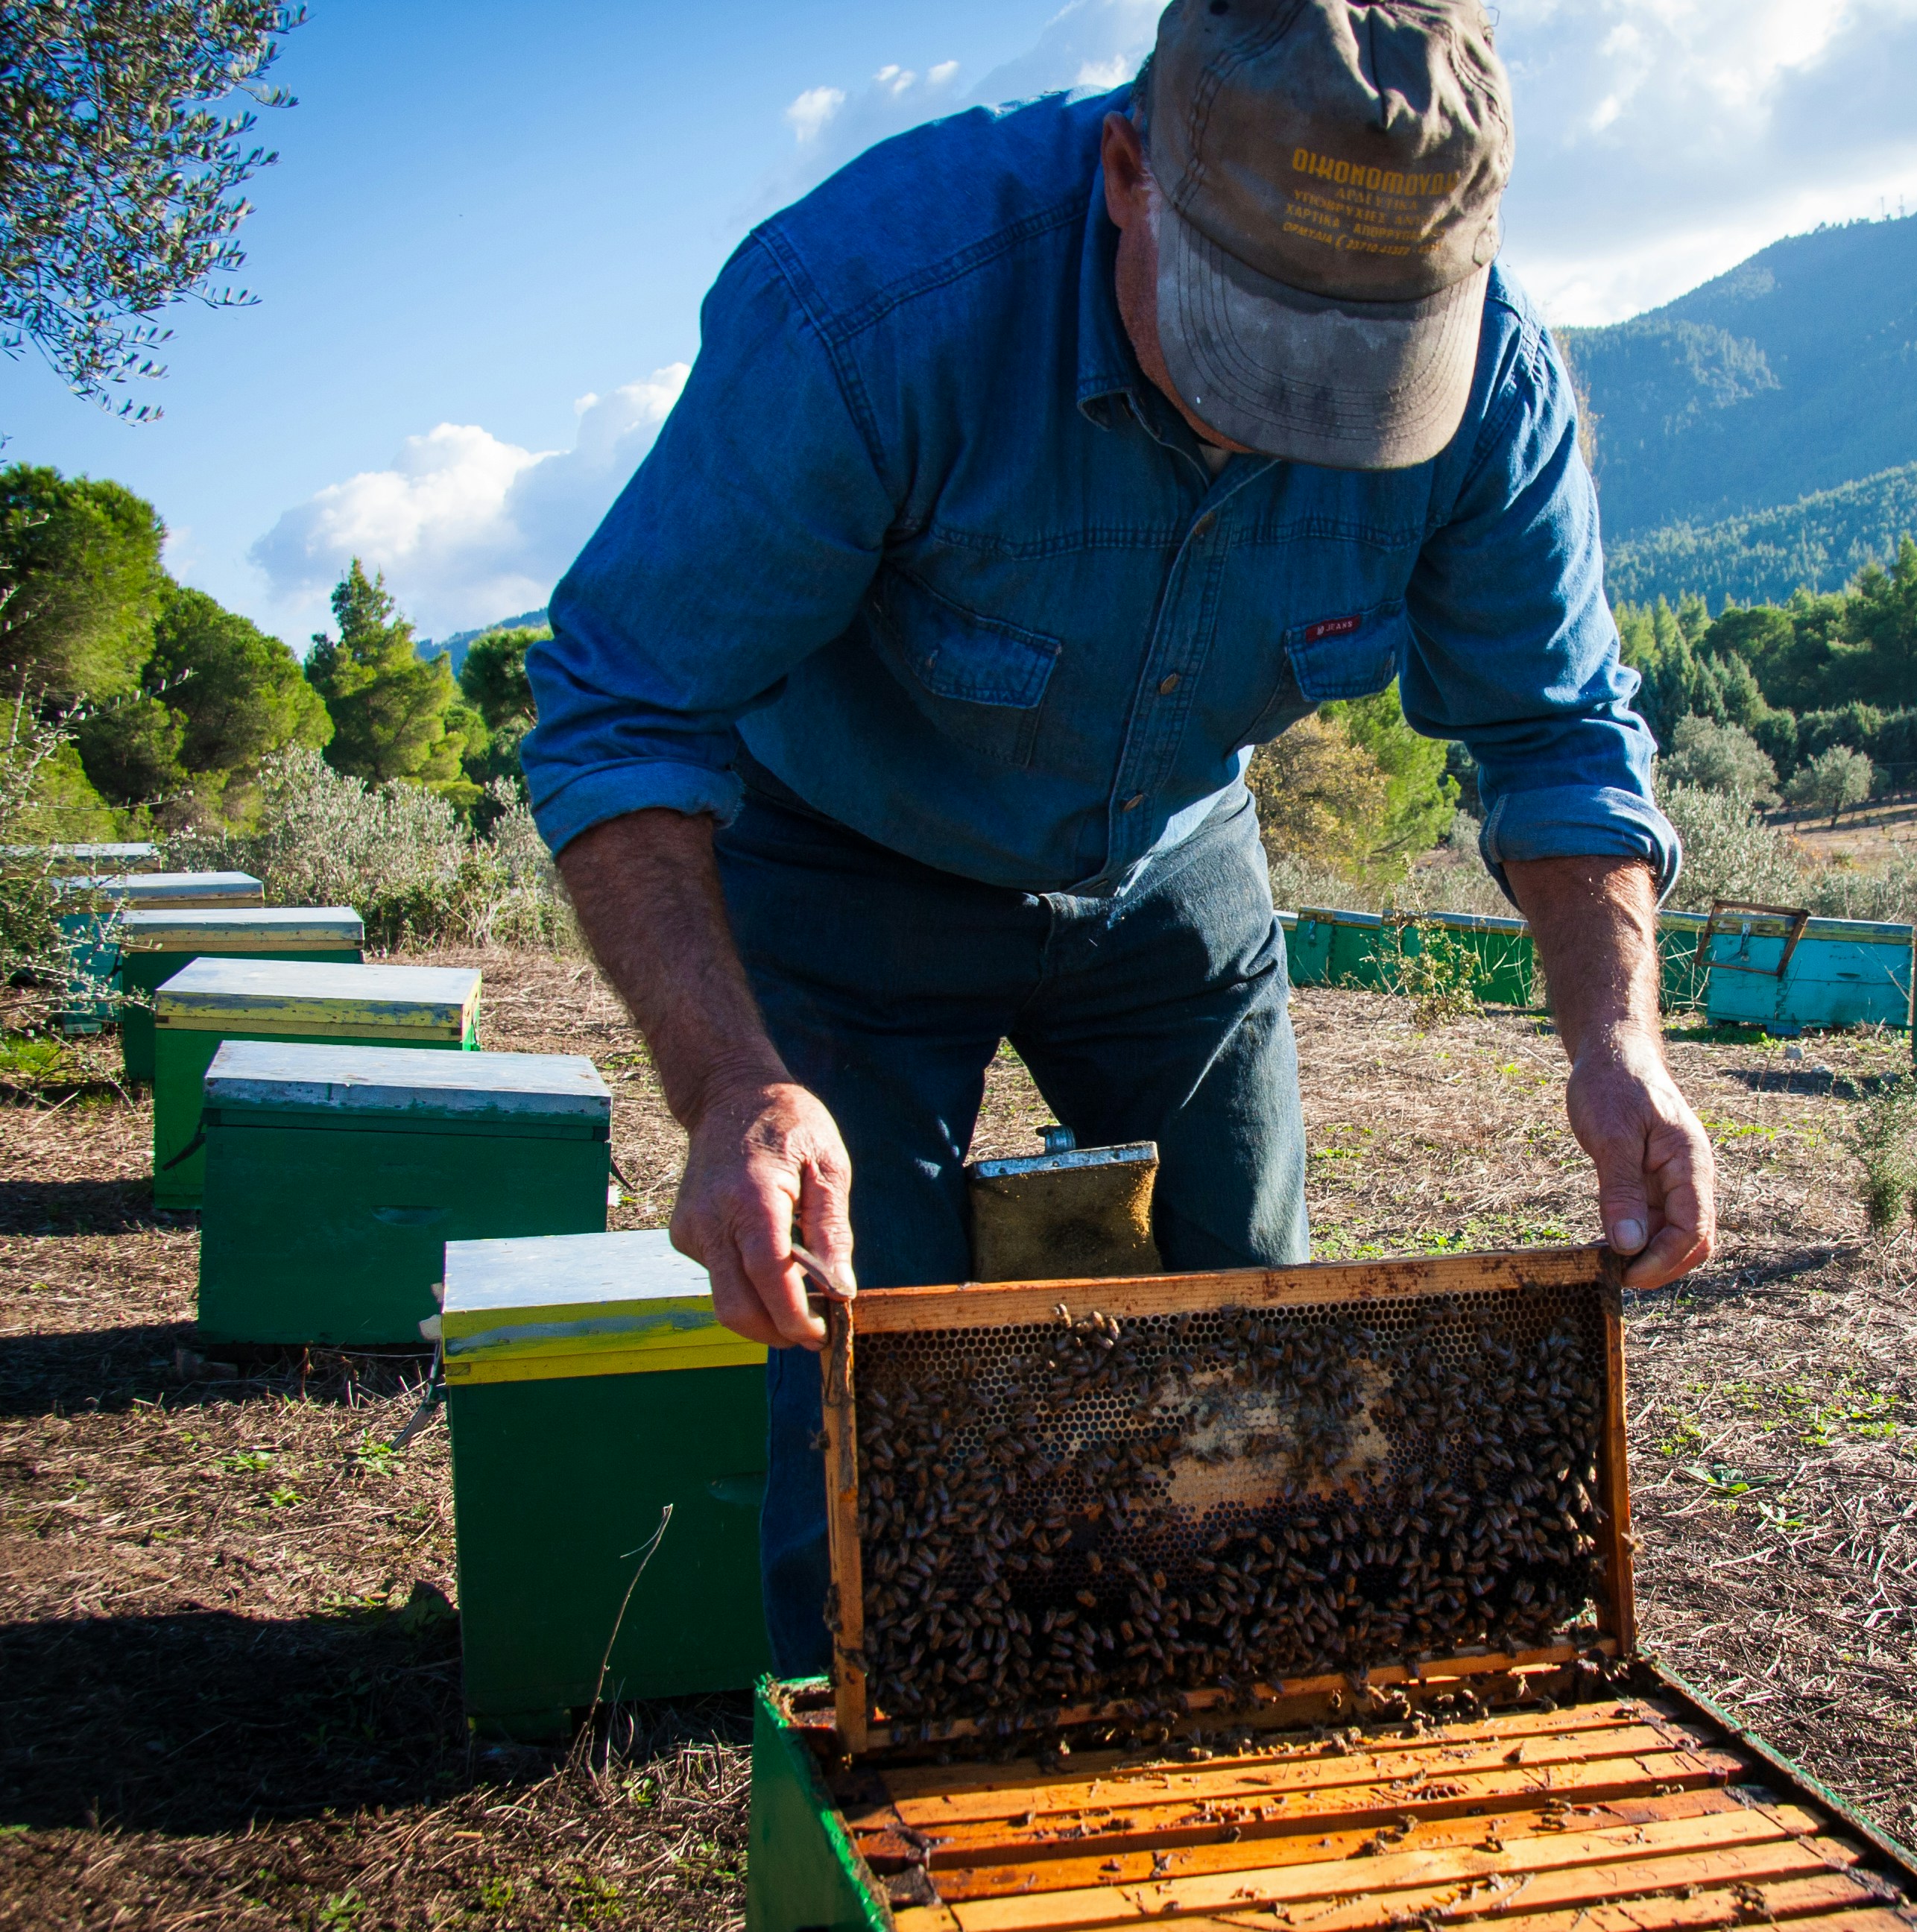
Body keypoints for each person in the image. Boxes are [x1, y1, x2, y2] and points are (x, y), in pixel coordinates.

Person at [521, 0, 1717, 1679]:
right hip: (842, 869)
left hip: (1170, 867)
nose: (1284, 414)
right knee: (865, 1398)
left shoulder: (1504, 387)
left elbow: (1557, 727)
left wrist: (1618, 1043)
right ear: (1128, 174)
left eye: (1358, 362)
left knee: (1259, 1368)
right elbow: (621, 706)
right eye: (1248, 334)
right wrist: (732, 1082)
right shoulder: (870, 309)